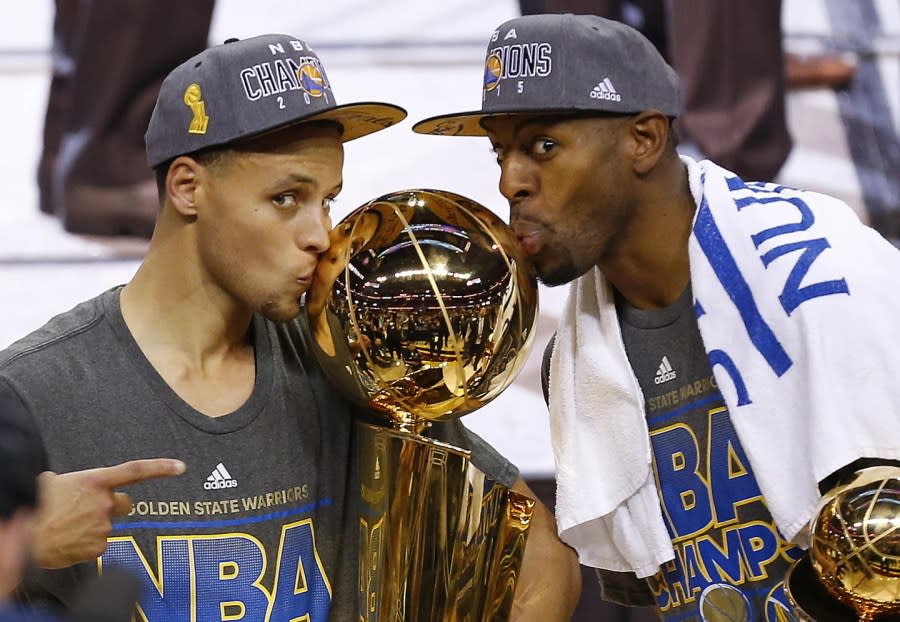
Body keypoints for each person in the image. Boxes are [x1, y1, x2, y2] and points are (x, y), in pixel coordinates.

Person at [3, 34, 580, 620]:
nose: (320, 235)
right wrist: (19, 545)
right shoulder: (31, 391)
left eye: (327, 200)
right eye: (286, 198)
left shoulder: (345, 357)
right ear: (187, 187)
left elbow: (540, 555)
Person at [412, 13, 900, 618]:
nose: (511, 182)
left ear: (643, 139)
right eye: (500, 152)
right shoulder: (580, 363)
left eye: (543, 145)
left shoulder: (828, 274)